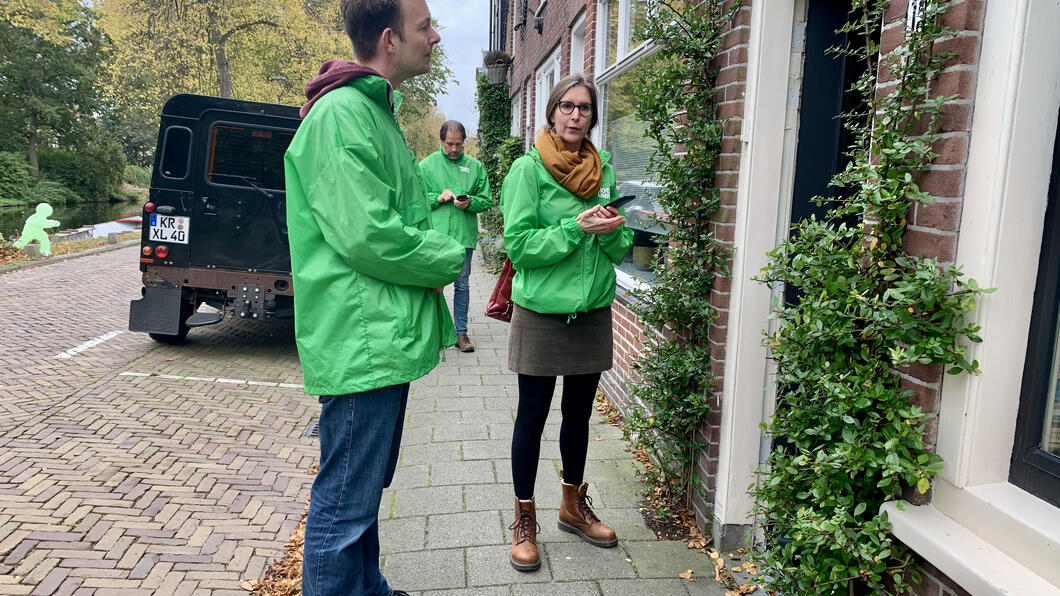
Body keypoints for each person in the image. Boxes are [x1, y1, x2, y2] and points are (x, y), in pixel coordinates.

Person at [282, 0, 466, 594]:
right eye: (424, 28)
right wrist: (447, 257)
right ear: (389, 39)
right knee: (343, 505)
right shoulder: (342, 117)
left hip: (377, 336)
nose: (435, 37)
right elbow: (369, 234)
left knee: (360, 494)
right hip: (364, 340)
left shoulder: (369, 114)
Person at [500, 74, 634, 571]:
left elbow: (618, 248)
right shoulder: (527, 171)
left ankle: (573, 507)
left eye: (585, 108)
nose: (576, 115)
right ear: (553, 112)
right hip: (540, 313)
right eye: (568, 106)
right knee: (531, 418)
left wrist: (612, 231)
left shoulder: (604, 173)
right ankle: (524, 518)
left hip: (592, 311)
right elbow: (520, 248)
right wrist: (576, 226)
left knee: (578, 415)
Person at [418, 120, 493, 352]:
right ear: (441, 141)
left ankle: (461, 333)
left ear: (464, 142)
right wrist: (436, 198)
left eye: (458, 144)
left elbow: (487, 200)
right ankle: (435, 333)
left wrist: (470, 202)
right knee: (433, 285)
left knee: (462, 285)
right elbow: (415, 200)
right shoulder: (426, 165)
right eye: (449, 144)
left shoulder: (475, 167)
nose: (454, 149)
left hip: (463, 238)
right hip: (436, 238)